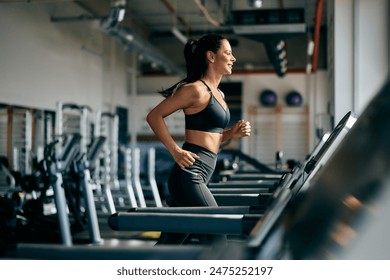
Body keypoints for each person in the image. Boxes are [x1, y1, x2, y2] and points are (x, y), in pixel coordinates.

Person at [146, 33, 251, 245]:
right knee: (217, 233)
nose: (233, 58)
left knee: (170, 244)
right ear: (211, 56)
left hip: (202, 173)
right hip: (190, 175)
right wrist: (175, 151)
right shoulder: (195, 89)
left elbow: (209, 139)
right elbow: (154, 116)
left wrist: (232, 134)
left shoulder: (218, 93)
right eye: (228, 53)